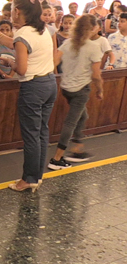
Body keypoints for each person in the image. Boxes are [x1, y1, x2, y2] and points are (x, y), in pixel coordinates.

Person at [0, 0, 56, 192]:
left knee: (31, 136)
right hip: (49, 83)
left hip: (33, 87)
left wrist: (10, 63)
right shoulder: (41, 28)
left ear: (17, 11)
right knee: (42, 132)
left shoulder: (24, 34)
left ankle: (28, 179)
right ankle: (37, 176)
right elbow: (14, 43)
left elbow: (23, 69)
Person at [47, 14, 103, 170]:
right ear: (92, 29)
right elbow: (96, 75)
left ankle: (77, 147)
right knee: (71, 122)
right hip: (81, 90)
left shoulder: (67, 43)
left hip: (66, 88)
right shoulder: (93, 47)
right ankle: (57, 158)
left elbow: (54, 62)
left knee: (83, 115)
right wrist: (100, 90)